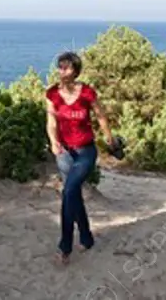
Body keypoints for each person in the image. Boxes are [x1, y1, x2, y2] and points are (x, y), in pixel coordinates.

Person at [45, 51, 115, 265]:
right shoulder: (52, 94)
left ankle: (65, 247)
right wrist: (54, 141)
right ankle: (86, 237)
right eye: (60, 66)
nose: (61, 70)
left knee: (68, 192)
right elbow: (51, 122)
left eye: (65, 67)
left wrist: (110, 139)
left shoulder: (87, 93)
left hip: (86, 151)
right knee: (73, 195)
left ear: (75, 70)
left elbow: (101, 116)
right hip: (64, 153)